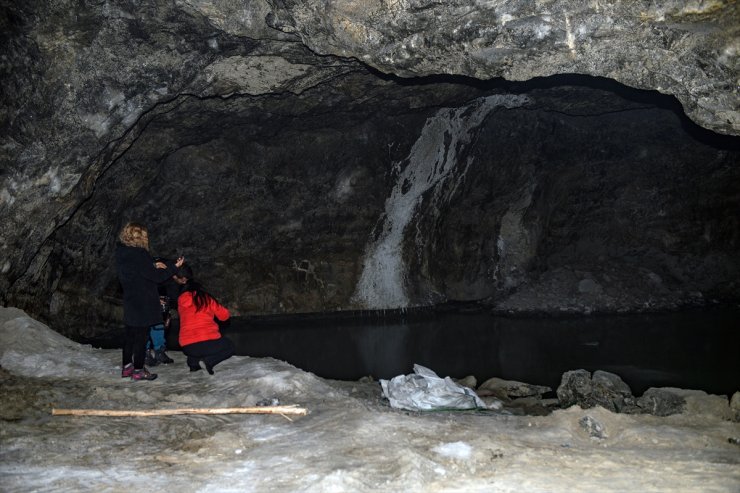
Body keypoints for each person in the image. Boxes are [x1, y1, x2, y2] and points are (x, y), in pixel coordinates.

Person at [115, 222, 184, 381]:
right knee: (141, 338)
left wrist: (152, 264)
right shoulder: (140, 254)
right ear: (142, 237)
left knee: (130, 336)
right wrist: (173, 267)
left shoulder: (121, 252)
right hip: (144, 302)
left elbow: (136, 270)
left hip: (130, 300)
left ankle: (127, 368)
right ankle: (139, 371)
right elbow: (157, 277)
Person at [177, 268, 234, 375]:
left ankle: (193, 364)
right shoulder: (206, 298)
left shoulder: (180, 300)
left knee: (194, 342)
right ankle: (209, 361)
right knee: (229, 346)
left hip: (187, 346)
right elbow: (224, 316)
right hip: (208, 342)